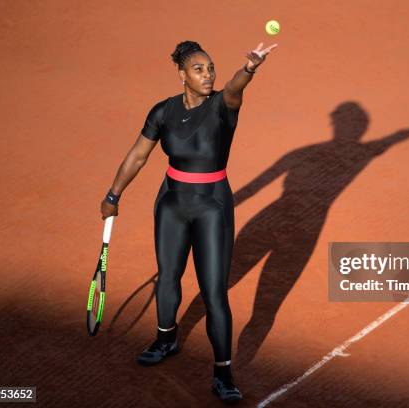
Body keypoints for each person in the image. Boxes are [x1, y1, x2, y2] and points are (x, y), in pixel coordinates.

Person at [100, 40, 277, 403]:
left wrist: (249, 68)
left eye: (210, 67)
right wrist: (114, 194)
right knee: (168, 277)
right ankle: (166, 339)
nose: (207, 74)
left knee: (214, 292)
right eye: (199, 69)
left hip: (213, 207)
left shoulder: (223, 106)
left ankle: (223, 373)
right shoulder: (163, 112)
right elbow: (138, 155)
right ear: (182, 75)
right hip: (171, 203)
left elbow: (234, 88)